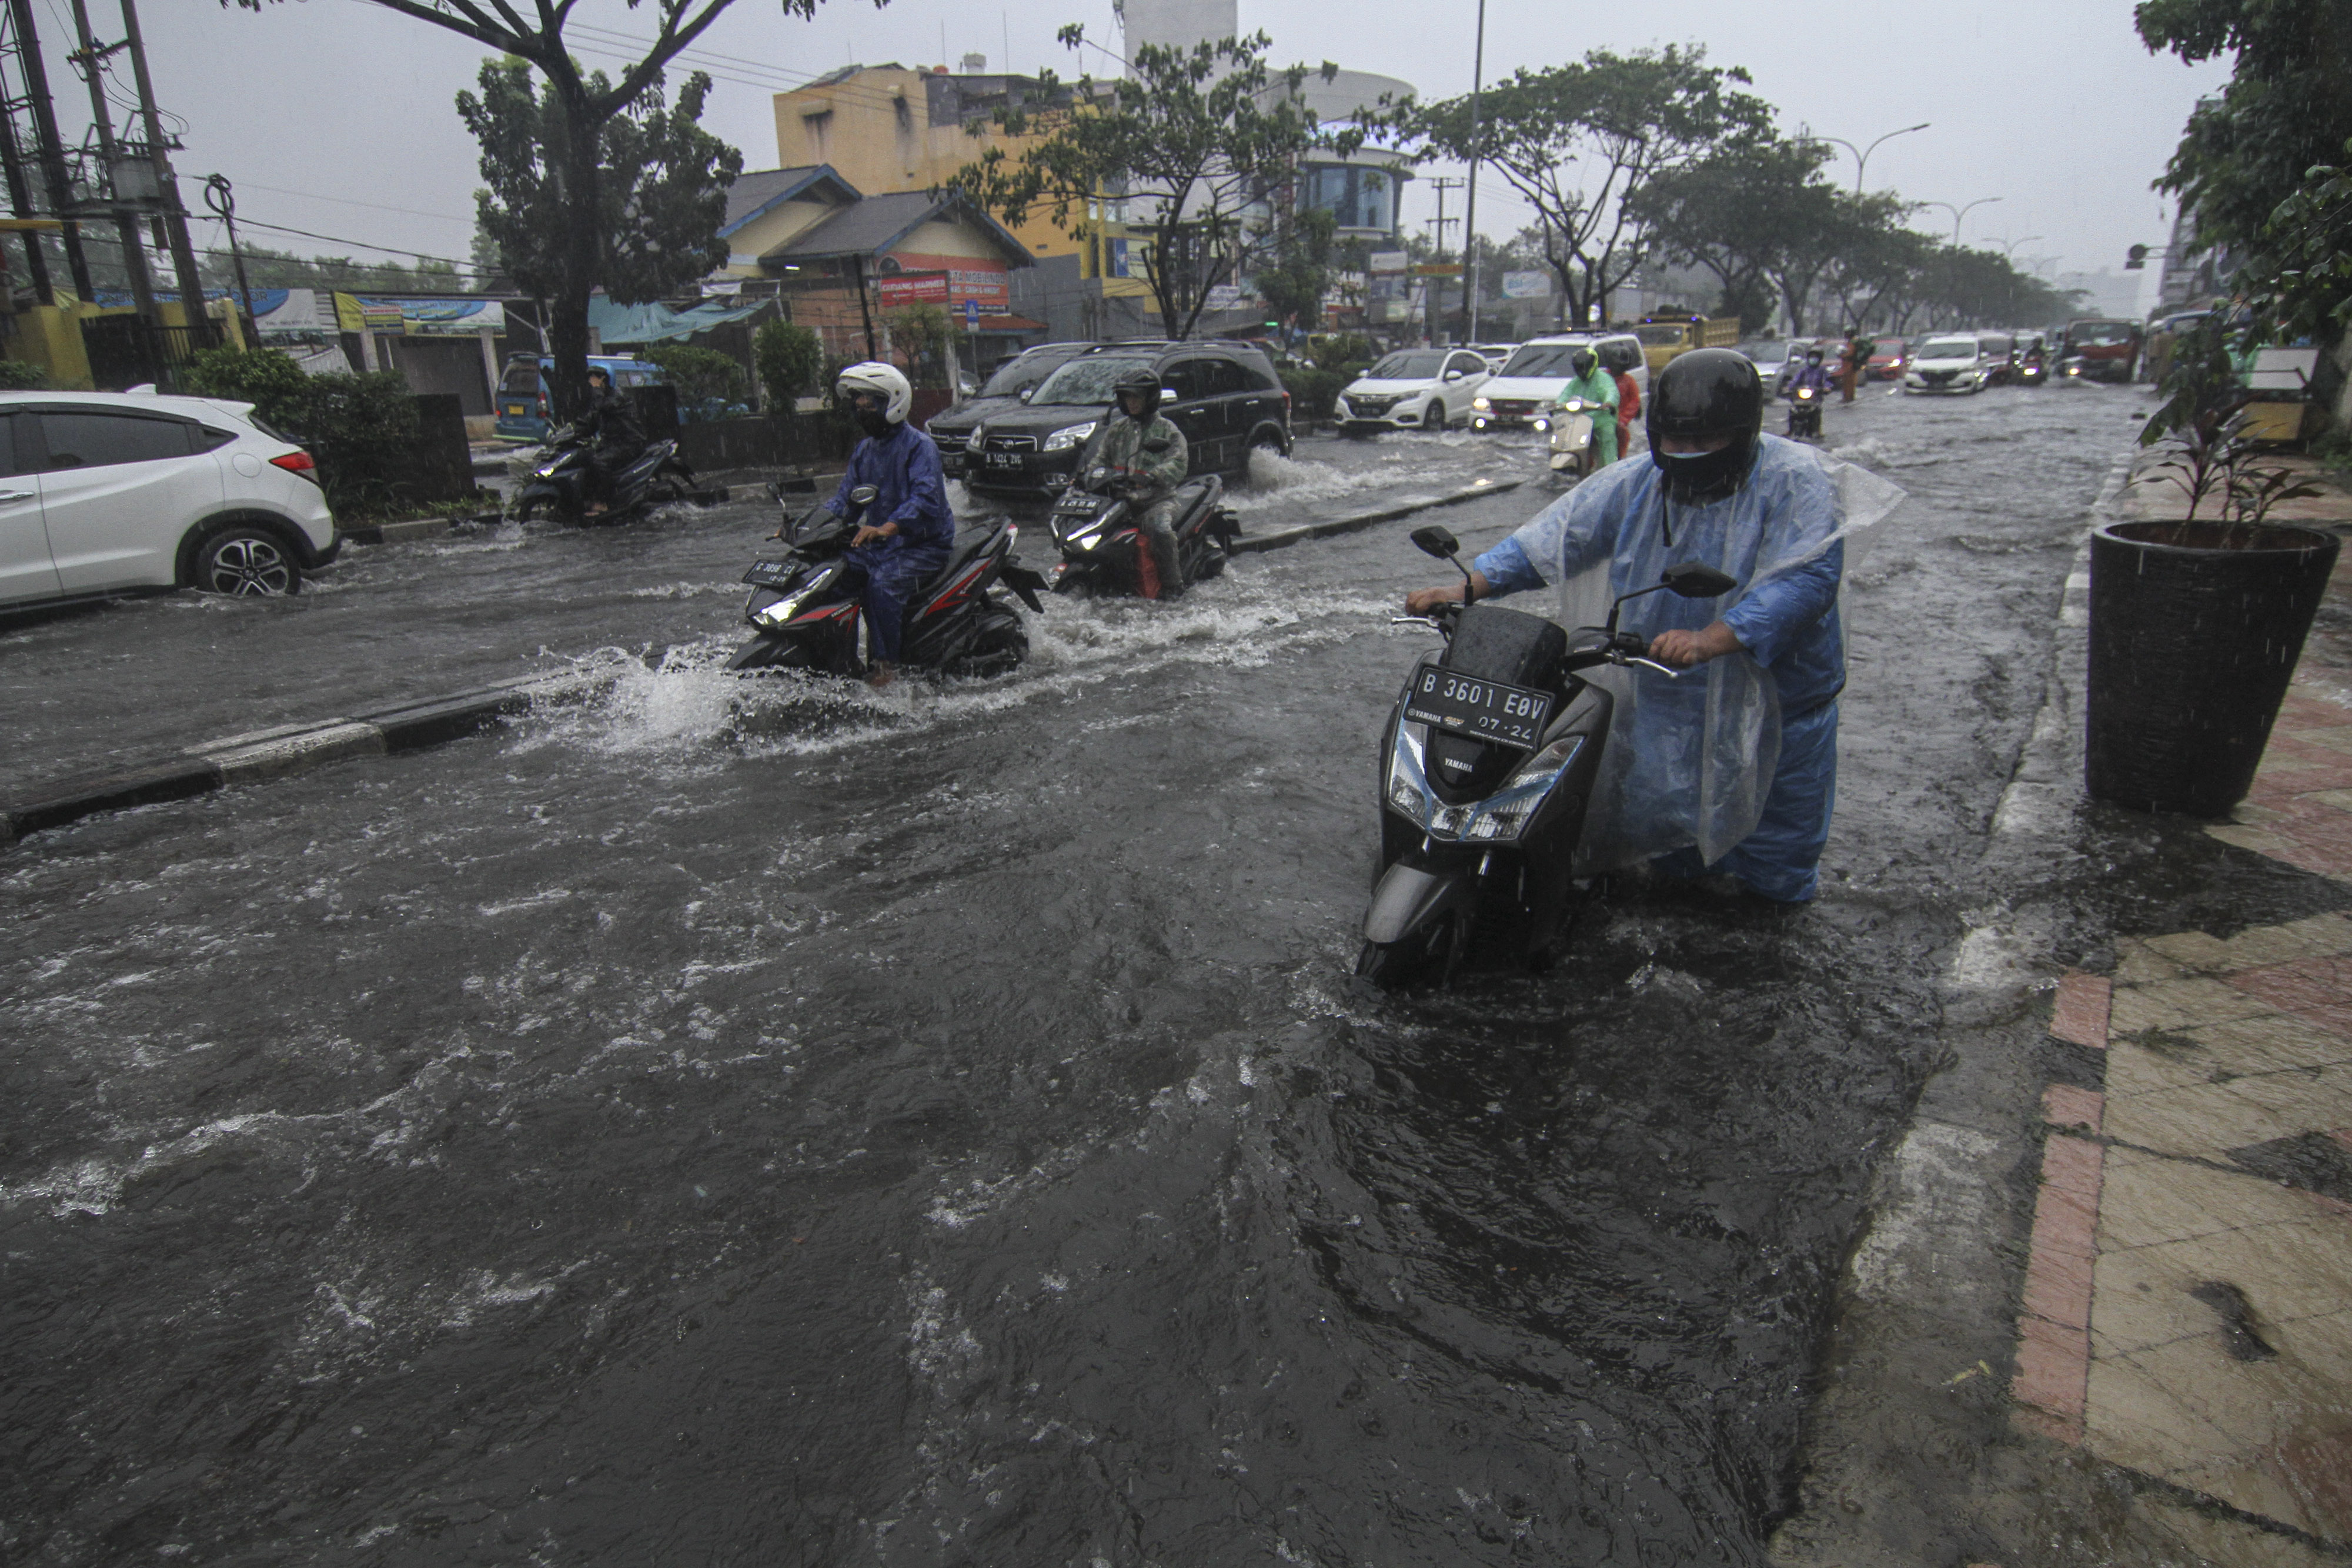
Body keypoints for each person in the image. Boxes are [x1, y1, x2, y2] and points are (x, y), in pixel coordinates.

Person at [1403, 347, 1895, 904]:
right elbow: (1557, 536)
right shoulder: (1636, 483)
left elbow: (1804, 580)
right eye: (1675, 443)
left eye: (1704, 444)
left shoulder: (1796, 483)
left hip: (1778, 713)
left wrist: (1714, 638)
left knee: (1769, 874)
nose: (1686, 456)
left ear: (1741, 433)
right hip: (1664, 699)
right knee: (1654, 859)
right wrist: (1467, 586)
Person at [826, 362, 955, 688]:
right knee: (833, 576)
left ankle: (887, 667)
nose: (862, 412)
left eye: (870, 405)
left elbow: (927, 501)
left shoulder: (920, 447)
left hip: (922, 545)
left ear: (893, 404)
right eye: (858, 406)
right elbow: (845, 502)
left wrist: (888, 527)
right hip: (881, 544)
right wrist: (804, 529)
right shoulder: (865, 451)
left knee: (881, 587)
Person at [1077, 366, 1188, 598]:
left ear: (1151, 398)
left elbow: (1178, 463)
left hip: (1155, 502)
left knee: (1161, 531)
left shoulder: (1167, 430)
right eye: (1127, 396)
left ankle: (1173, 586)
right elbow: (1100, 460)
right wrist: (1086, 476)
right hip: (1118, 503)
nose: (1131, 402)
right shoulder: (1117, 431)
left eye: (1136, 396)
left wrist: (1152, 476)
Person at [575, 365, 647, 517]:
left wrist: (597, 389)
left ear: (605, 380)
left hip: (629, 443)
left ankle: (603, 503)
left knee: (600, 462)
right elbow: (590, 421)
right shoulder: (600, 399)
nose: (593, 384)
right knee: (583, 458)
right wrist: (569, 433)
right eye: (591, 380)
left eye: (596, 380)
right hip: (611, 444)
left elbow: (603, 407)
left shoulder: (618, 396)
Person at [1552, 346, 1620, 468]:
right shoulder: (1576, 381)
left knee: (1607, 436)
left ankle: (1611, 466)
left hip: (1601, 418)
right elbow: (1567, 394)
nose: (1581, 371)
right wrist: (1558, 405)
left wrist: (1609, 402)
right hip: (1580, 419)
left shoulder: (1603, 378)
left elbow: (1611, 391)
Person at [1613, 360, 1642, 464]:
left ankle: (1617, 460)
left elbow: (1635, 401)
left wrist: (1624, 419)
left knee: (1622, 435)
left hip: (1620, 420)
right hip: (1602, 416)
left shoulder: (1629, 381)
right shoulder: (1603, 378)